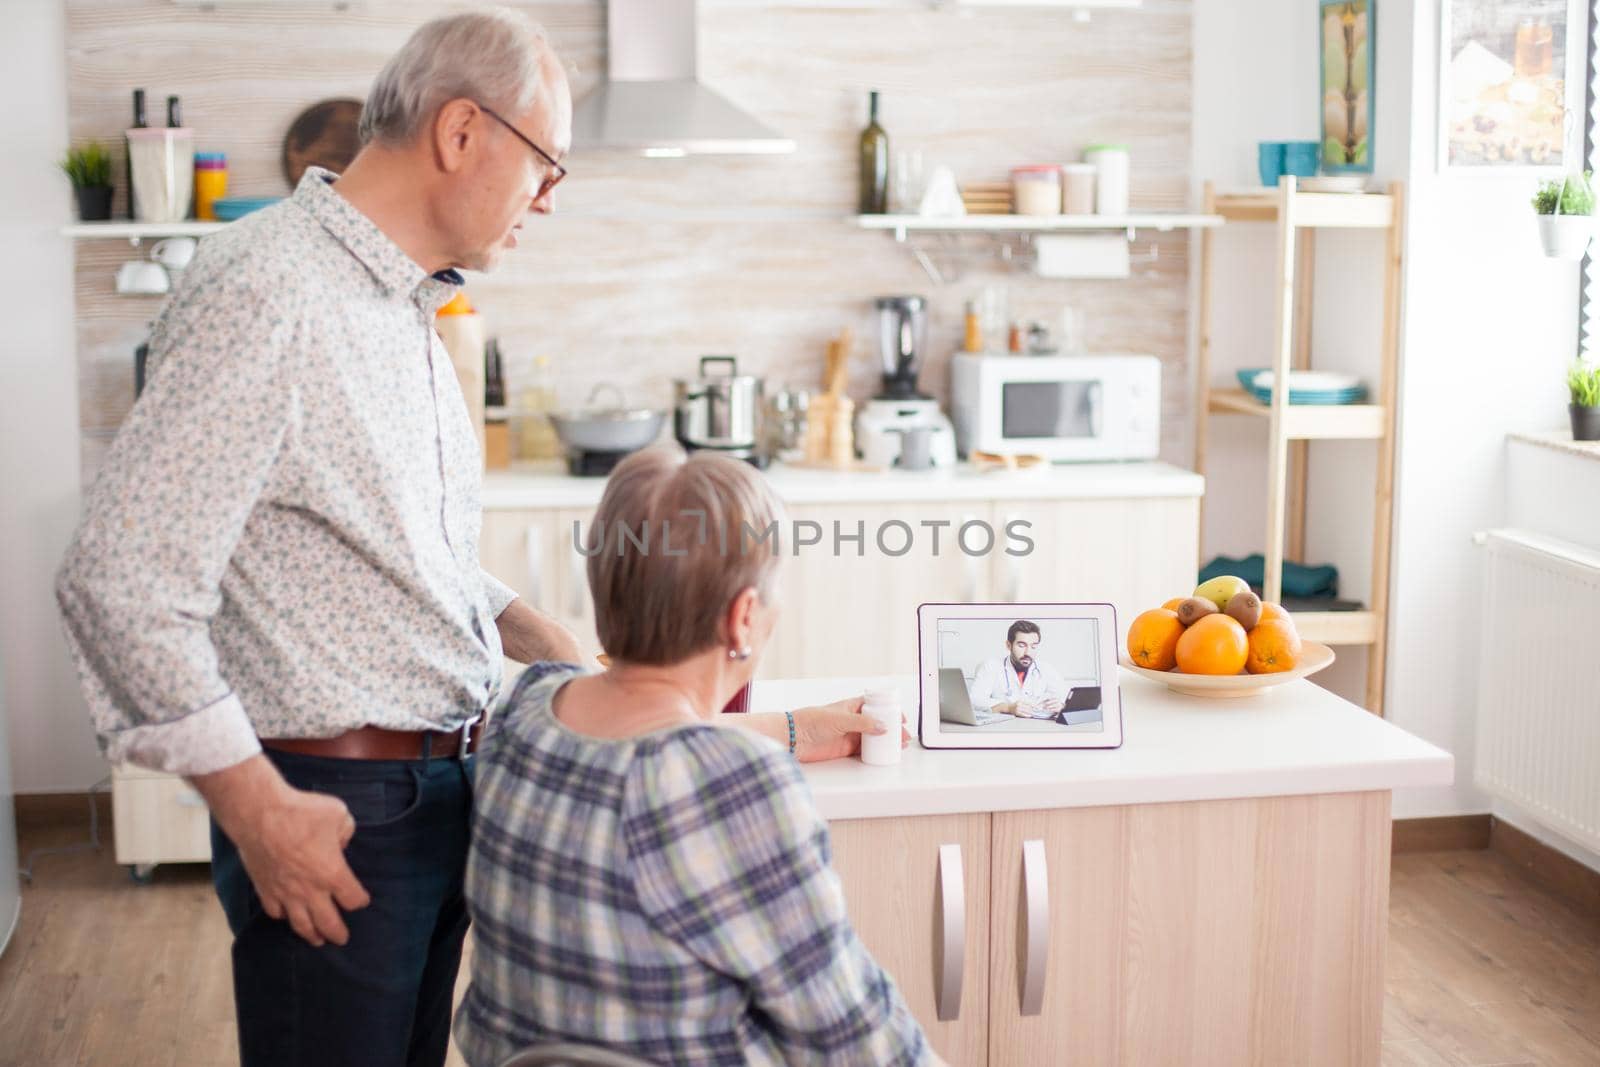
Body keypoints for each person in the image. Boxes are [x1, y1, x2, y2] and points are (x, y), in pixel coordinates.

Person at [55, 11, 880, 1066]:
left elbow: (375, 534)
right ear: (459, 132)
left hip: (433, 798)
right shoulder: (273, 292)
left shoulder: (399, 301)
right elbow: (117, 580)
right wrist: (258, 809)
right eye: (547, 165)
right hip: (334, 809)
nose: (548, 197)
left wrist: (525, 621)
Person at [455, 446, 935, 1067]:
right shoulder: (736, 786)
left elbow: (635, 736)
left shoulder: (521, 712)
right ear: (743, 618)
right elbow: (860, 1041)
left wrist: (793, 728)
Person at [967, 620, 1068, 716]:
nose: (1028, 653)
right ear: (1008, 645)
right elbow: (974, 700)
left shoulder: (1046, 668)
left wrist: (1062, 705)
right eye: (1021, 645)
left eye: (1033, 647)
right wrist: (1008, 708)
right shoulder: (991, 666)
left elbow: (1066, 696)